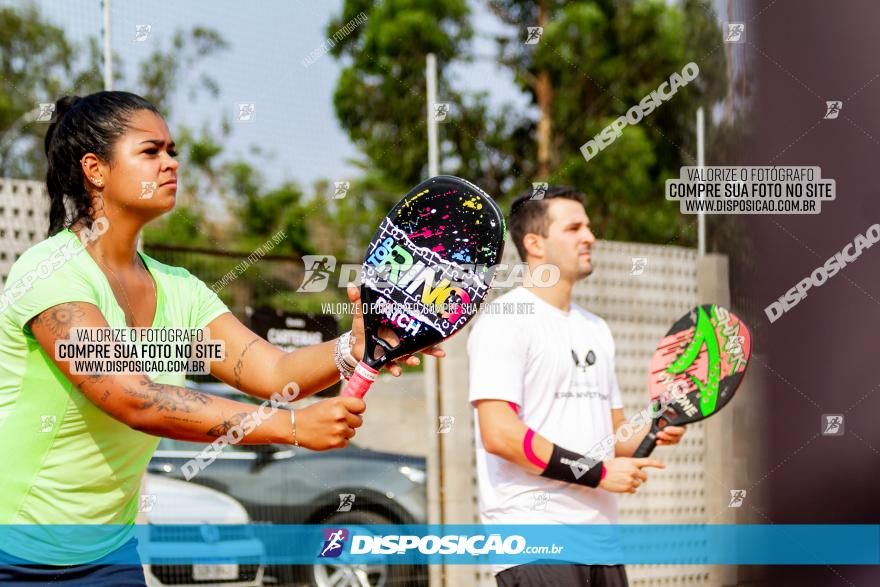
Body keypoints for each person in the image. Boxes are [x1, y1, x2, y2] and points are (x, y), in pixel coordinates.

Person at [0, 91, 443, 585]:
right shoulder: (50, 271)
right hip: (14, 556)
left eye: (172, 151)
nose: (170, 163)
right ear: (95, 169)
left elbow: (272, 371)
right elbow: (129, 397)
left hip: (109, 555)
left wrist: (352, 349)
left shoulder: (180, 290)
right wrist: (291, 428)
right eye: (151, 152)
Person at [468, 186, 687, 586]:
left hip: (601, 542)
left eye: (588, 226)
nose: (590, 237)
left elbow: (613, 433)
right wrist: (600, 474)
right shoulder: (505, 320)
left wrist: (658, 424)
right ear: (534, 243)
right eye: (574, 228)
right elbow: (500, 434)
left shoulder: (596, 329)